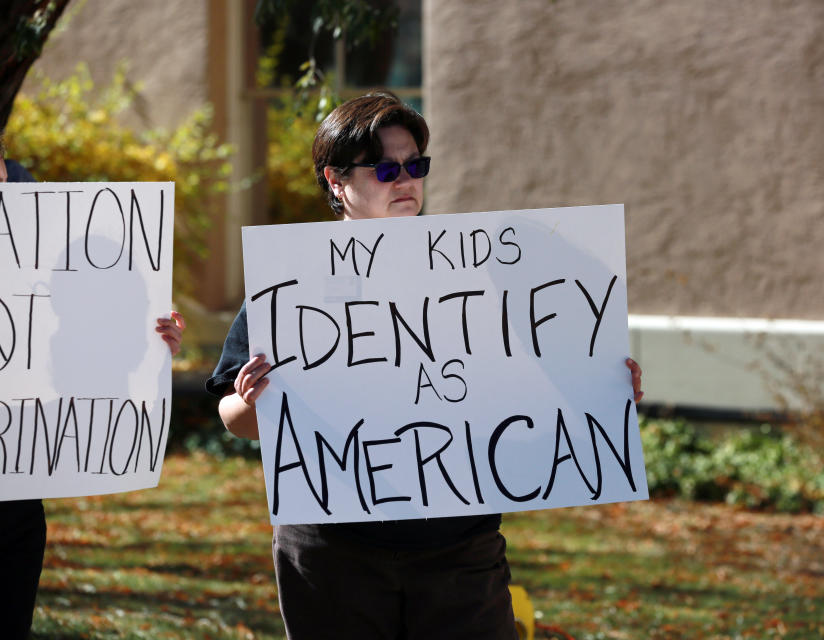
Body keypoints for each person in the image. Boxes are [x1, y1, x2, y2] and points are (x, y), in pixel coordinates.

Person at [206, 92, 643, 640]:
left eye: (416, 166)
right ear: (336, 181)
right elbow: (236, 419)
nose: (405, 180)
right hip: (332, 548)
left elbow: (525, 379)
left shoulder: (476, 271)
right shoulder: (292, 276)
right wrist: (250, 403)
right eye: (386, 168)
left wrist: (600, 389)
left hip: (459, 546)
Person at [0, 134, 186, 639]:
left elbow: (94, 368)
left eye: (0, 167)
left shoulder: (33, 263)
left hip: (12, 507)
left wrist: (153, 342)